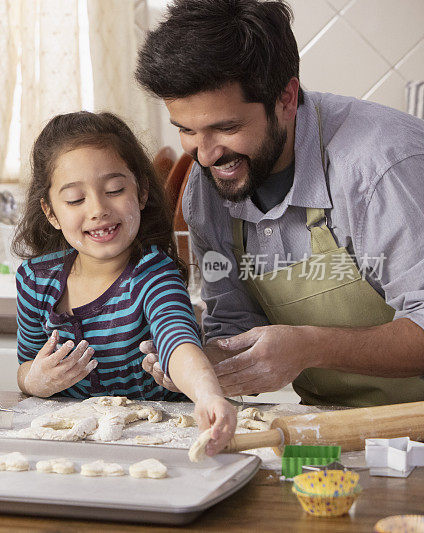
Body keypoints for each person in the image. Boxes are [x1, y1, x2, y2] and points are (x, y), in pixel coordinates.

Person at [135, 0, 424, 406]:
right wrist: (202, 366)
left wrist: (310, 346)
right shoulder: (210, 185)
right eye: (186, 130)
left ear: (286, 98)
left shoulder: (380, 167)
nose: (205, 155)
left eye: (227, 127)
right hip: (334, 429)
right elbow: (234, 321)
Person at [12, 111, 236, 455]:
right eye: (75, 199)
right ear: (51, 213)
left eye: (114, 190)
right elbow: (26, 365)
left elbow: (178, 341)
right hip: (67, 451)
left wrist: (208, 395)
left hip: (151, 445)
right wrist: (35, 381)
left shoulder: (153, 274)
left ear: (142, 192)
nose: (98, 209)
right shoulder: (35, 280)